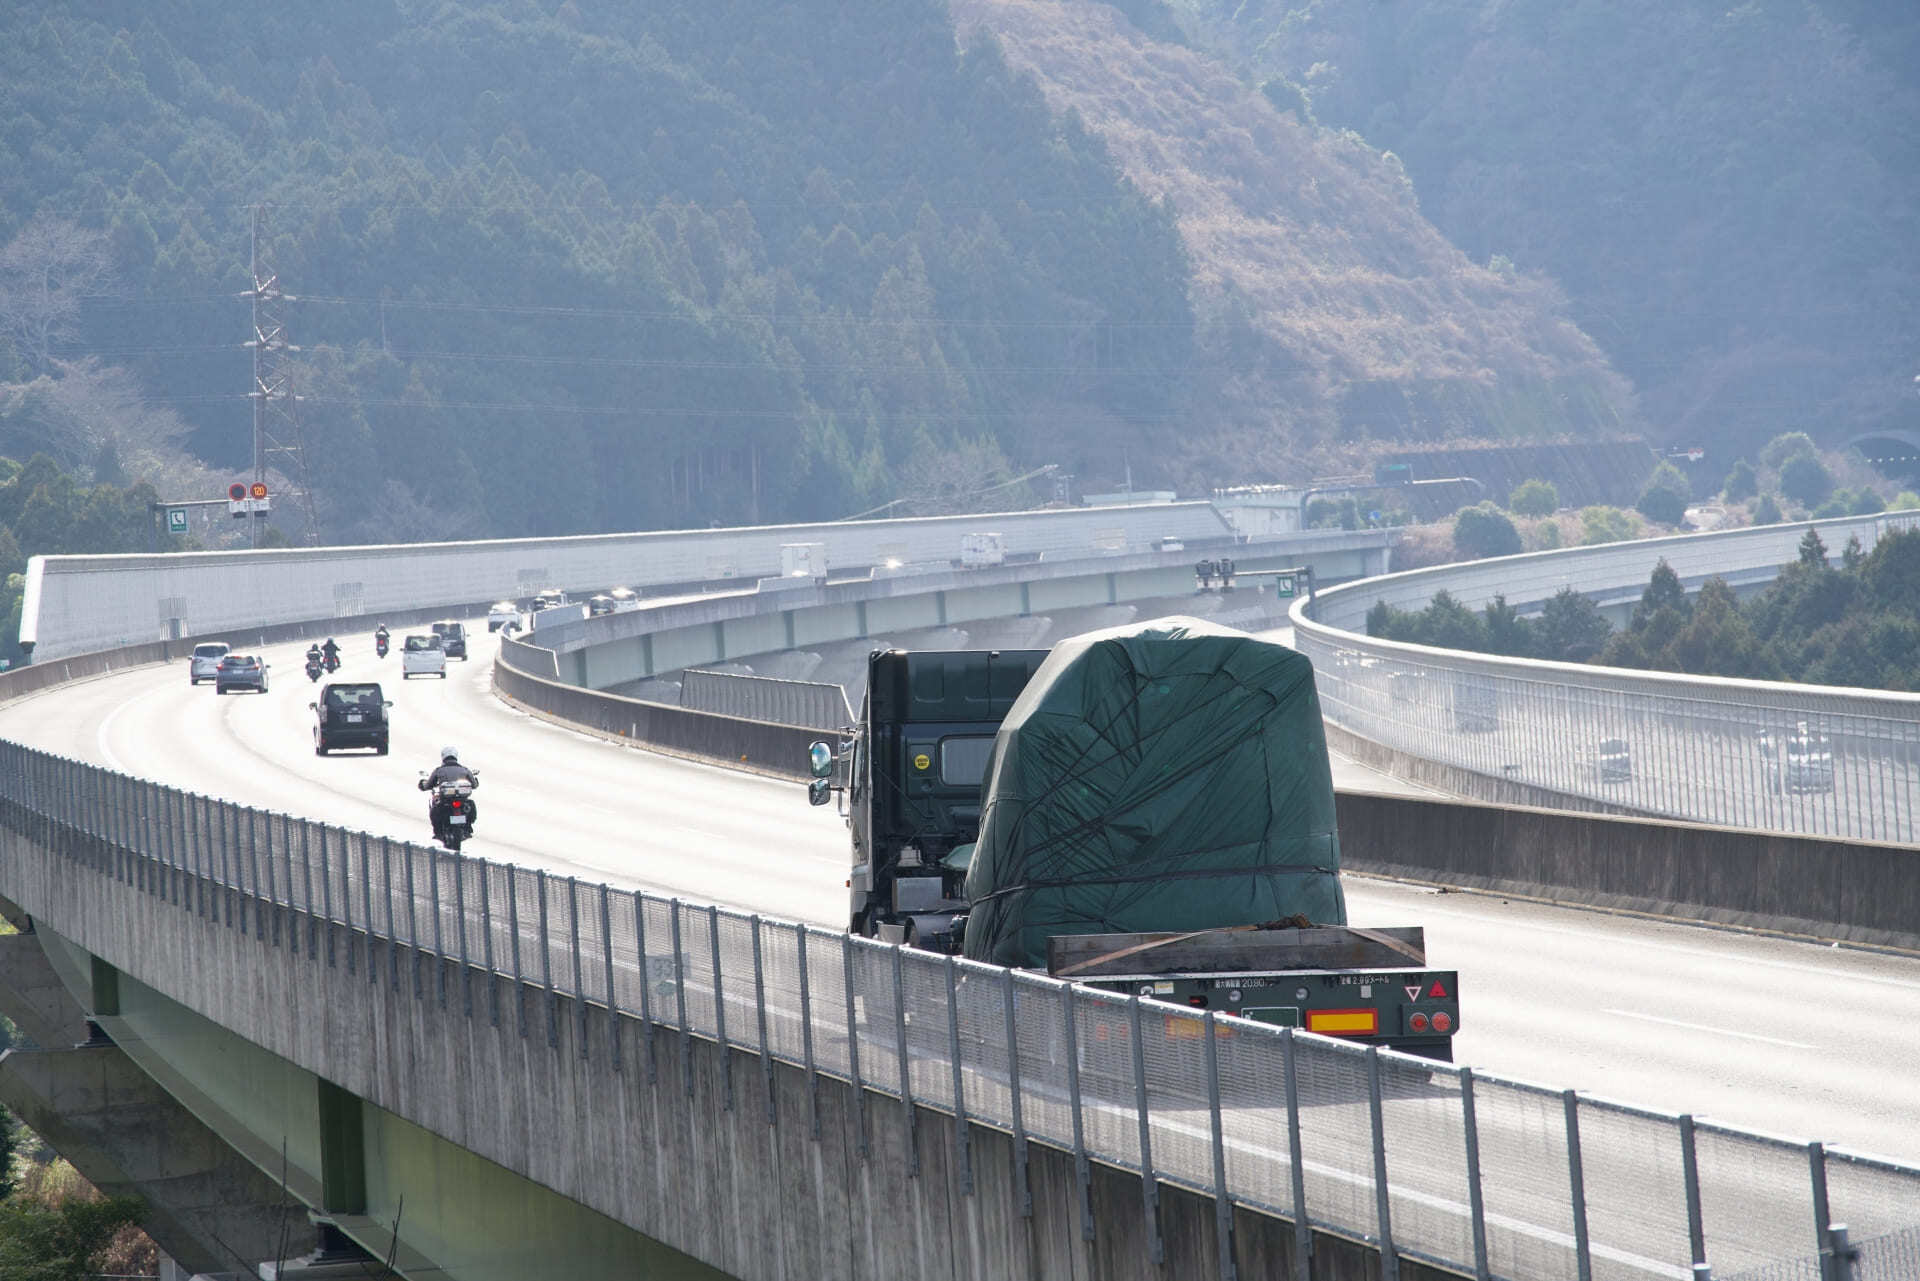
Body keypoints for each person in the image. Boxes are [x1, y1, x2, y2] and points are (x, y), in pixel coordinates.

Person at [418, 745, 478, 829]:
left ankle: (439, 829)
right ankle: (467, 826)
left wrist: (423, 785)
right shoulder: (465, 770)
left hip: (446, 801)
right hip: (462, 800)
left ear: (443, 757)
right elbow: (474, 785)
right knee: (469, 804)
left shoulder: (439, 770)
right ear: (456, 756)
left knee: (435, 804)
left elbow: (428, 785)